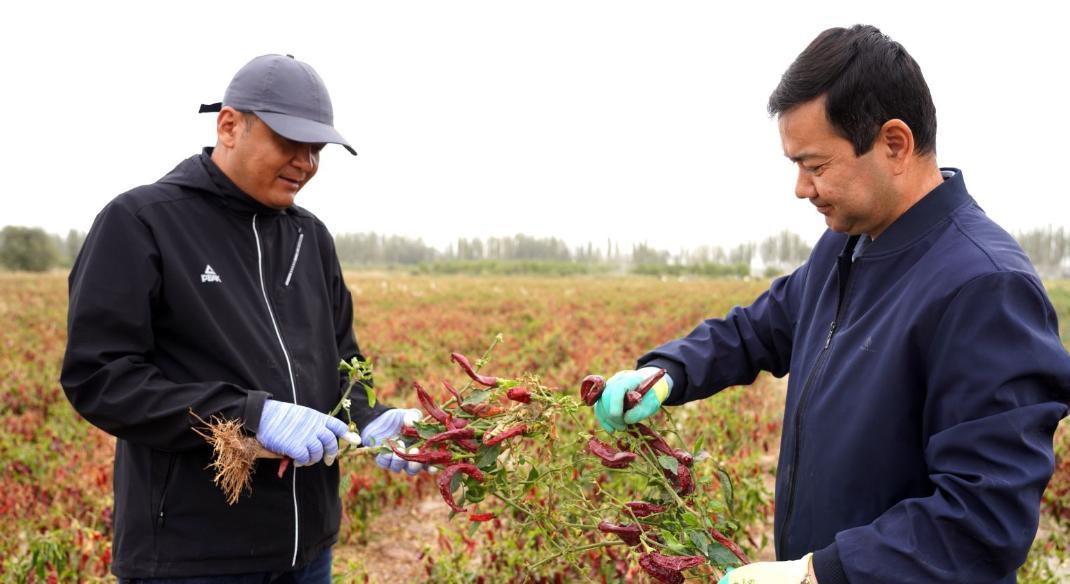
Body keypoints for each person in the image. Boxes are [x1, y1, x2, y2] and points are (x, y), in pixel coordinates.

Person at [593, 25, 1070, 584]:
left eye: (816, 166)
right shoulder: (847, 246)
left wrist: (818, 574)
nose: (801, 187)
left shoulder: (984, 287)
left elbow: (983, 522)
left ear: (894, 144)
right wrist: (668, 373)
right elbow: (760, 328)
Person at [61, 54, 424, 582]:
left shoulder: (310, 238)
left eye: (316, 149)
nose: (306, 163)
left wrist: (370, 419)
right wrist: (249, 415)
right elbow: (100, 378)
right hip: (194, 557)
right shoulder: (143, 222)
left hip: (308, 549)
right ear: (229, 125)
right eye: (289, 143)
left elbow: (341, 362)